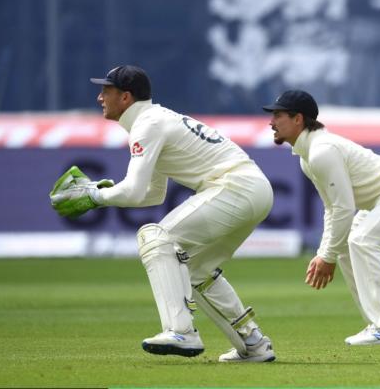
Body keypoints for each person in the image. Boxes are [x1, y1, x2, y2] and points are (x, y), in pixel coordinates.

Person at [48, 65, 276, 362]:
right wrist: (103, 193)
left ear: (126, 97)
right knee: (196, 270)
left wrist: (94, 195)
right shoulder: (153, 120)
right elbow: (151, 194)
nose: (99, 97)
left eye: (106, 90)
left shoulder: (148, 124)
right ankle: (254, 343)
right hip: (254, 190)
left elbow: (132, 191)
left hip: (235, 187)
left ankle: (181, 331)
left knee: (156, 238)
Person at [263, 89, 380, 345]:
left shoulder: (322, 151)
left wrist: (326, 257)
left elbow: (344, 208)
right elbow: (332, 209)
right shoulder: (307, 157)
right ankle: (378, 324)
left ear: (298, 119)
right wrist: (325, 253)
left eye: (278, 115)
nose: (271, 122)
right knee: (344, 244)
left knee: (362, 240)